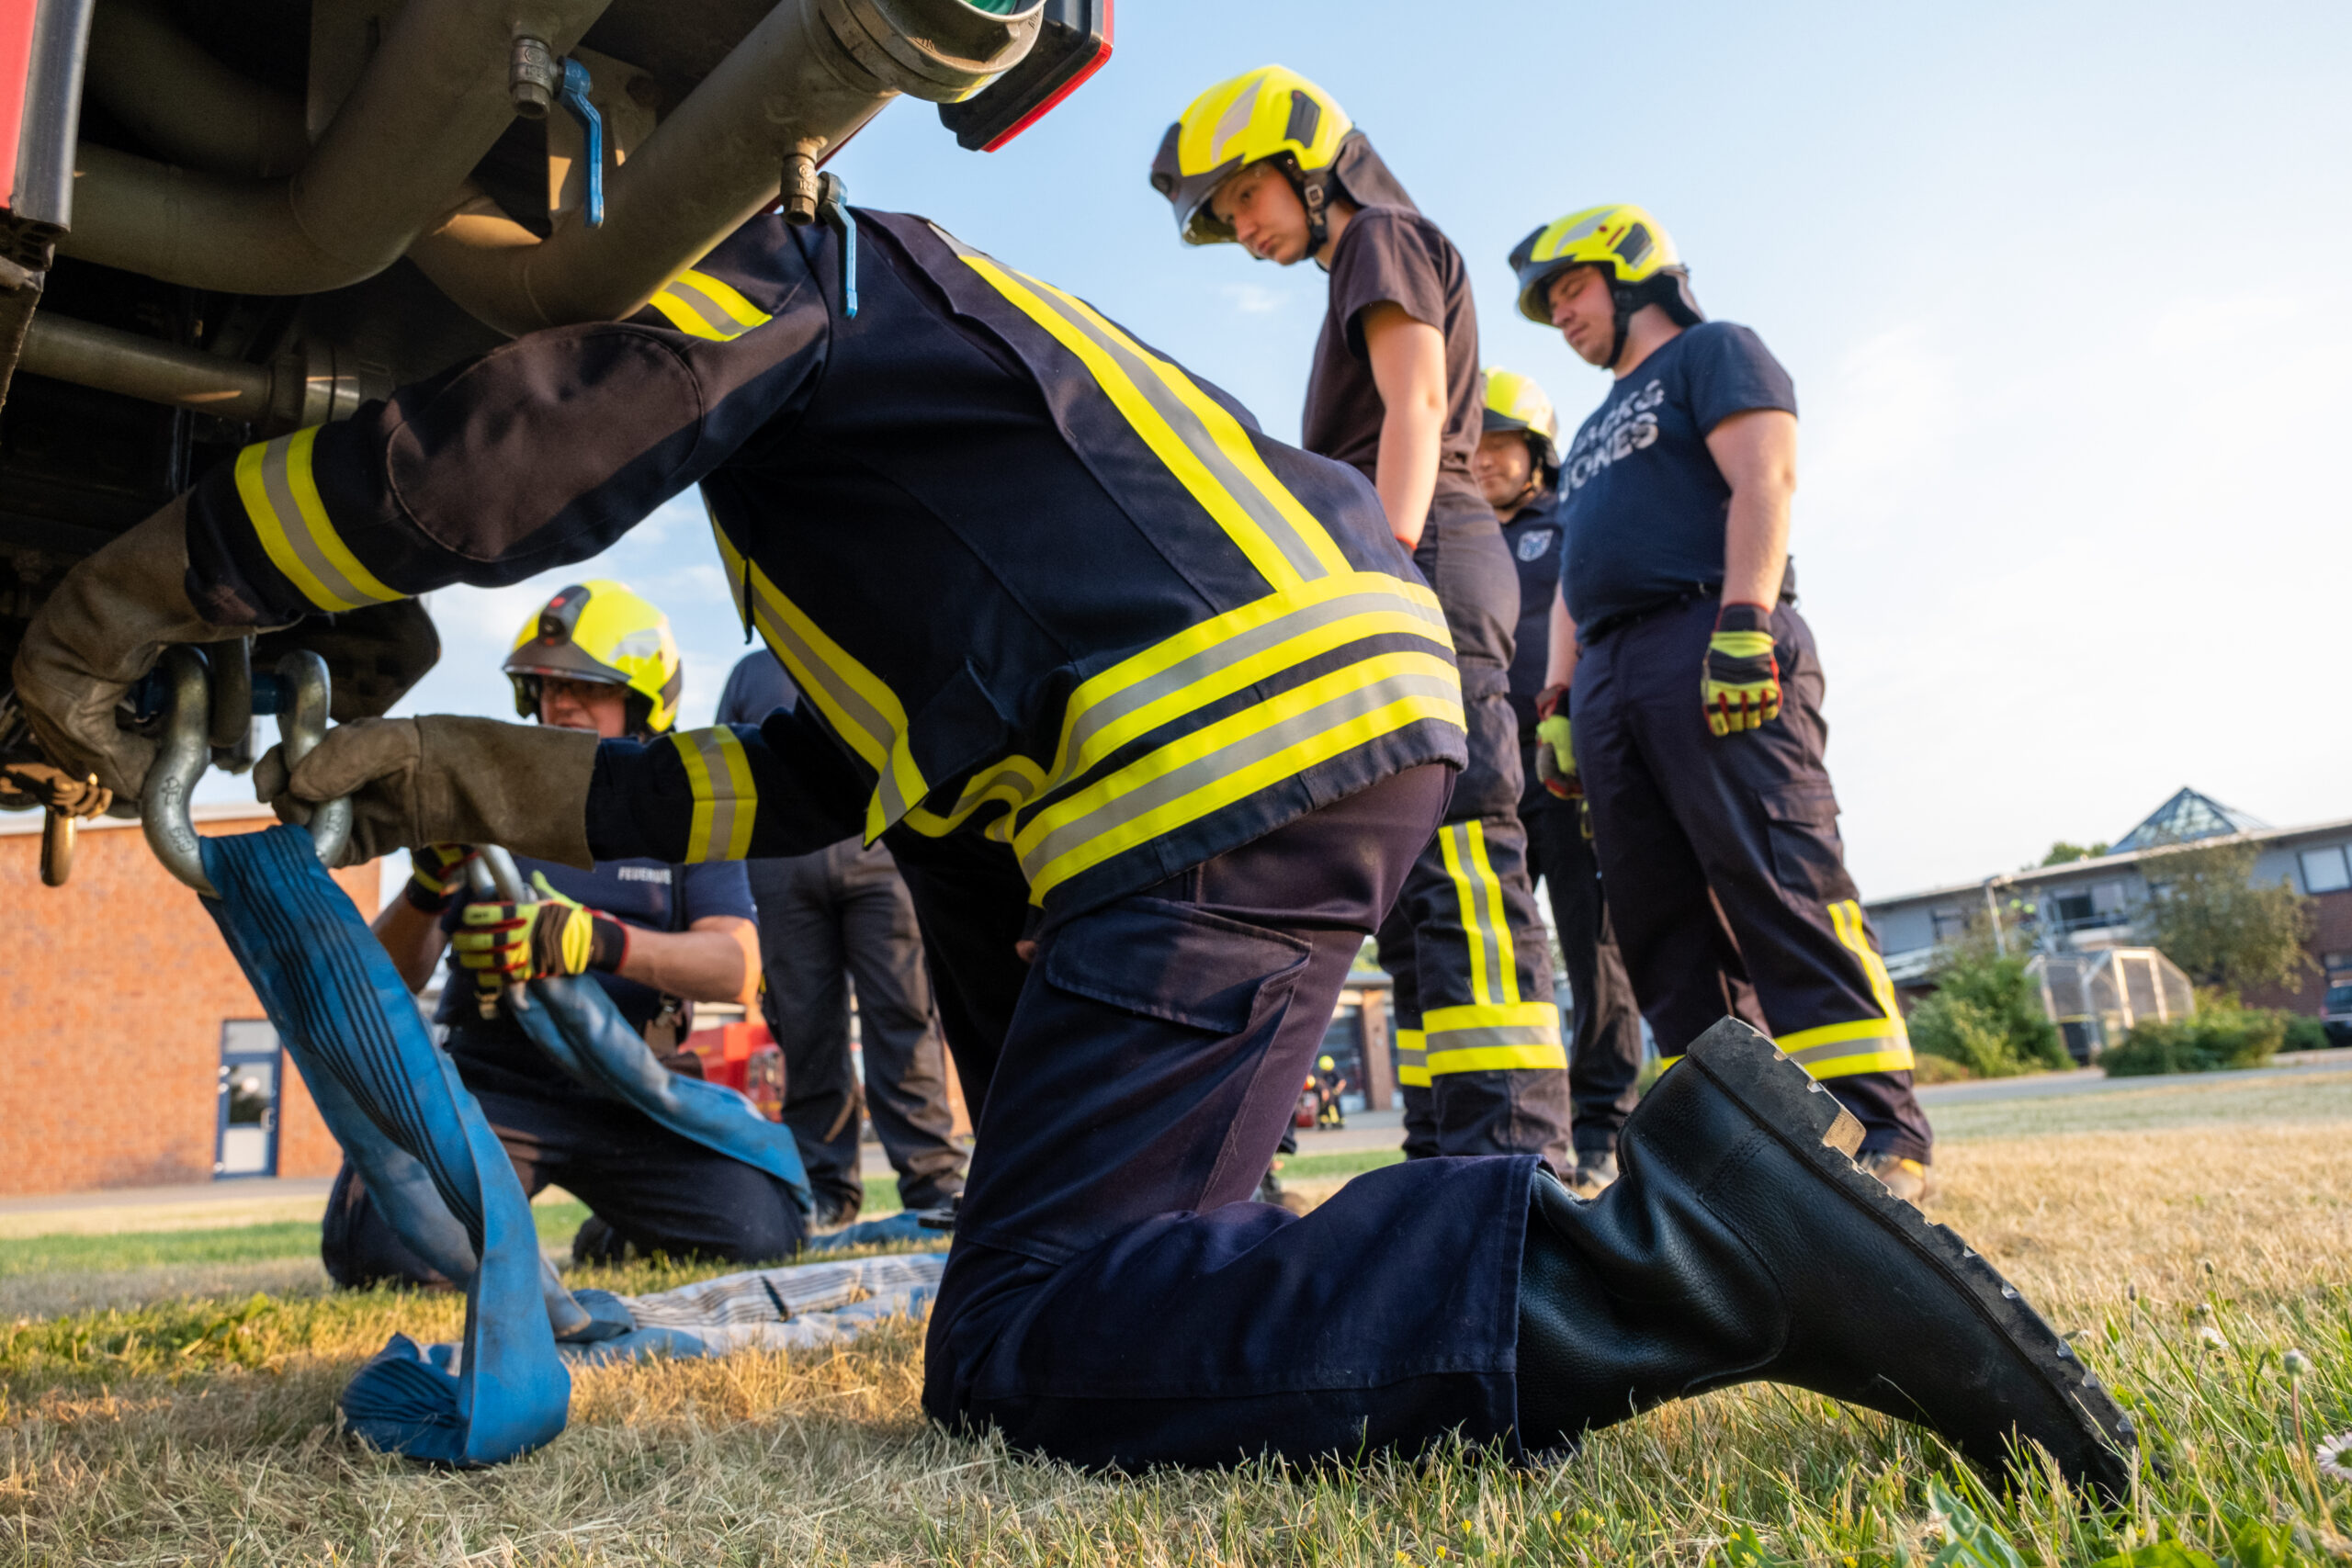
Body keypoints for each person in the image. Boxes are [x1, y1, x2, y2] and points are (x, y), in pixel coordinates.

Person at [12, 194, 2126, 1489]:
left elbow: (515, 459)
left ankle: (1653, 1246)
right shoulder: (890, 458)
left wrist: (157, 577)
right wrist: (475, 776)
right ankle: (1632, 1216)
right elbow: (828, 783)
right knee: (1152, 1266)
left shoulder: (786, 263)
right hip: (1305, 740)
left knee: (1024, 1331)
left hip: (1216, 768)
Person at [1150, 66, 1571, 1171]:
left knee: (1469, 856)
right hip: (1417, 556)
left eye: (1244, 196)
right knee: (1421, 885)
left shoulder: (1382, 235)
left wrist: (1379, 573)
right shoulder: (1360, 263)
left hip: (1423, 553)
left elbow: (1416, 407)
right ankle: (1448, 1160)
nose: (1239, 227)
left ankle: (1516, 1159)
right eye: (1224, 215)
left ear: (1305, 164)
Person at [1508, 205, 1937, 1201]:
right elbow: (1572, 572)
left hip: (1709, 632)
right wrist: (1558, 699)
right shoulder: (1596, 427)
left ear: (1629, 273)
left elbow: (1766, 475)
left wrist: (1745, 619)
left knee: (1779, 878)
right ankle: (1733, 1150)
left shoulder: (1716, 352)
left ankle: (1881, 1131)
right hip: (1610, 675)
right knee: (1655, 922)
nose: (1560, 315)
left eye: (1570, 290)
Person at [322, 581, 800, 1280]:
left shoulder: (688, 822)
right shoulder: (489, 806)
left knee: (761, 1233)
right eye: (544, 686)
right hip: (495, 1091)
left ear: (645, 703)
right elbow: (390, 980)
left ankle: (620, 1227)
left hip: (635, 1088)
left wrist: (600, 941)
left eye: (585, 687)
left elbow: (735, 964)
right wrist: (429, 888)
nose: (558, 703)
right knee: (385, 1254)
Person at [717, 649, 967, 1227]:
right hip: (780, 869)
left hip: (883, 856)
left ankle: (933, 1181)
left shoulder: (868, 637)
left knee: (903, 1014)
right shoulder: (750, 674)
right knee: (805, 1029)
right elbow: (729, 768)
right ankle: (825, 1189)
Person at [1476, 368, 1646, 1197]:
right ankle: (1516, 1126)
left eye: (1499, 445)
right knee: (1504, 961)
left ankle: (1604, 1124)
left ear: (1536, 452)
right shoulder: (1457, 533)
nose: (1482, 461)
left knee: (1594, 944)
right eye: (1469, 445)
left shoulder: (1571, 520)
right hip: (1485, 775)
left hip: (1564, 766)